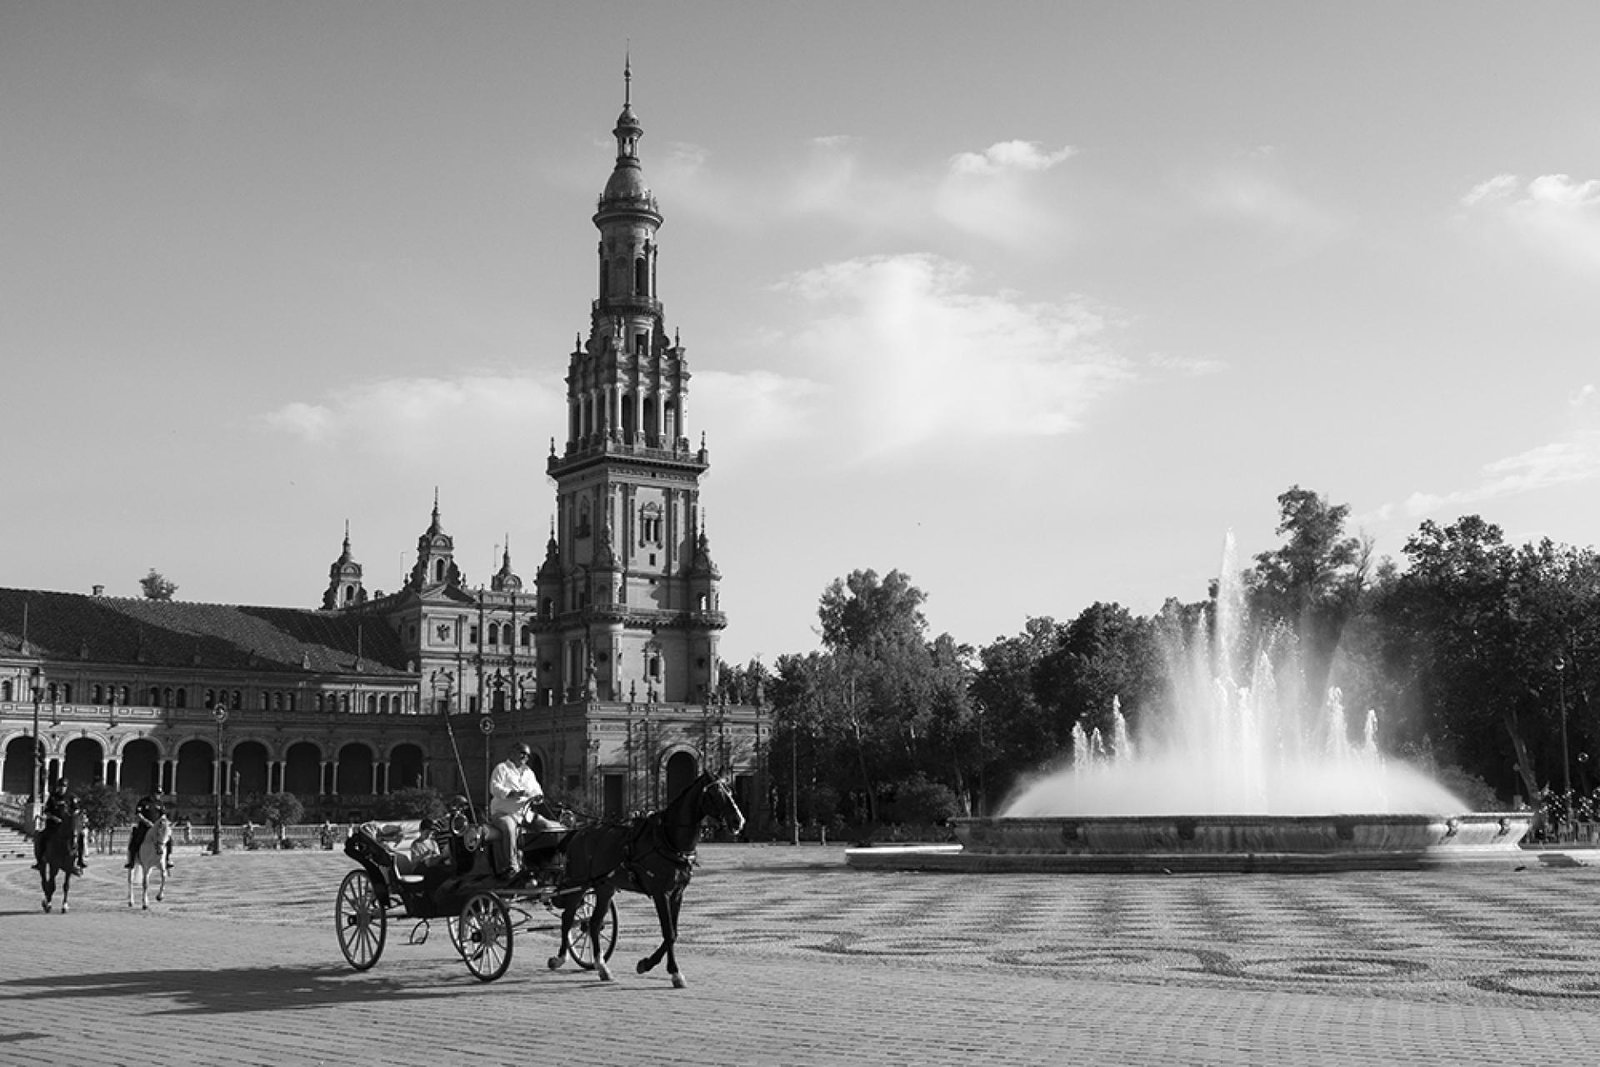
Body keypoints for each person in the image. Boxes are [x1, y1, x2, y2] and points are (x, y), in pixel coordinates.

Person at [488, 742, 562, 883]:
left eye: (527, 755)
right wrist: (511, 794)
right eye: (522, 753)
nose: (525, 757)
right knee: (510, 829)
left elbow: (537, 790)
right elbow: (494, 788)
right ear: (512, 753)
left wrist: (538, 797)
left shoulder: (529, 773)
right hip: (504, 813)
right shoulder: (501, 769)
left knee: (550, 827)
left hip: (526, 814)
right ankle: (512, 866)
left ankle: (550, 863)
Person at [33, 780, 86, 875]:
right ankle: (40, 860)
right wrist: (54, 818)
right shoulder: (53, 797)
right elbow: (47, 811)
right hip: (53, 825)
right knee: (41, 837)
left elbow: (77, 809)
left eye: (64, 787)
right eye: (61, 786)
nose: (62, 789)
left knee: (81, 835)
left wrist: (71, 816)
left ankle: (80, 860)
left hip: (67, 825)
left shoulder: (71, 797)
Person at [126, 793, 173, 872]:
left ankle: (167, 860)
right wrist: (146, 822)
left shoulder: (159, 803)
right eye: (157, 794)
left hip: (157, 828)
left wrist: (163, 823)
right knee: (135, 839)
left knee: (168, 839)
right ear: (153, 793)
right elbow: (138, 814)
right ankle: (132, 861)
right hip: (144, 827)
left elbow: (163, 815)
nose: (159, 795)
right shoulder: (143, 802)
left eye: (160, 794)